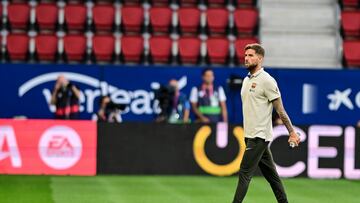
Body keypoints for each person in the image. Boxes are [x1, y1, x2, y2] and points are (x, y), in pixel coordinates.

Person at [232, 44, 300, 203]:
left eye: (250, 55)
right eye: (246, 55)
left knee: (244, 173)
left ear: (260, 59)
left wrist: (291, 132)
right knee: (272, 177)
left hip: (259, 135)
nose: (246, 58)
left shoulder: (267, 81)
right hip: (249, 135)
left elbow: (280, 110)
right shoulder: (246, 80)